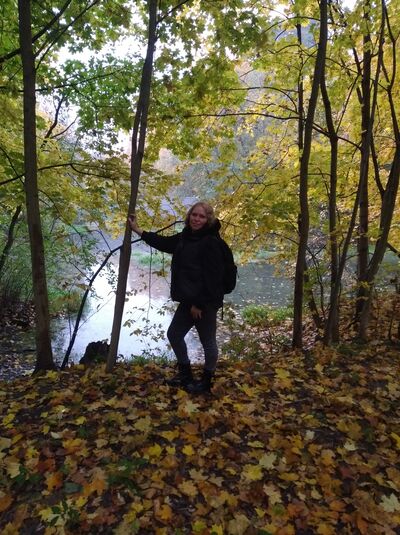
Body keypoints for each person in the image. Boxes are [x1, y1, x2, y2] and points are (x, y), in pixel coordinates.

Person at [128, 202, 225, 394]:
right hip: (189, 300)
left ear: (208, 219)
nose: (197, 219)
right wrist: (138, 230)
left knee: (208, 342)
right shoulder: (186, 237)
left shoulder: (211, 243)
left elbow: (214, 279)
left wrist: (198, 304)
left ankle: (206, 382)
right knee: (174, 334)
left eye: (202, 216)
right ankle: (185, 375)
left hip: (205, 302)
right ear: (189, 216)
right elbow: (163, 243)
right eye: (194, 215)